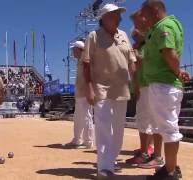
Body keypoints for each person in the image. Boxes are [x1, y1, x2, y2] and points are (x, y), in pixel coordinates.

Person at [82, 3, 136, 178]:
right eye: (115, 15)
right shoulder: (94, 36)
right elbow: (86, 63)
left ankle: (110, 162)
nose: (119, 18)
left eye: (119, 15)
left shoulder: (124, 36)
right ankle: (104, 168)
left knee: (119, 130)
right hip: (101, 89)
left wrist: (135, 82)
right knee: (104, 128)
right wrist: (89, 88)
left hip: (121, 89)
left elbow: (131, 61)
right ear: (103, 18)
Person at [140, 0, 188, 179]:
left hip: (163, 85)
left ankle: (170, 172)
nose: (144, 18)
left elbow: (169, 53)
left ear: (155, 10)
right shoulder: (160, 27)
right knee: (166, 128)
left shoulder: (163, 27)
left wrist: (178, 72)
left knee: (168, 130)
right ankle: (170, 167)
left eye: (146, 13)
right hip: (162, 84)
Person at [125, 10, 156, 165]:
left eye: (137, 36)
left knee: (146, 118)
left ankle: (148, 149)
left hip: (146, 86)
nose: (135, 39)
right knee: (144, 118)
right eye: (134, 37)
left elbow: (140, 67)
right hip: (143, 85)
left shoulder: (145, 47)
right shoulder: (140, 48)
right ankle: (146, 148)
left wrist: (136, 56)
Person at [65, 41, 94, 149]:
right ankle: (77, 139)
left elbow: (90, 77)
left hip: (85, 92)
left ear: (80, 50)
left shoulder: (86, 61)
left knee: (87, 117)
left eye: (74, 50)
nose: (72, 52)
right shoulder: (79, 62)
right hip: (79, 93)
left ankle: (89, 141)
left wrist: (90, 91)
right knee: (78, 118)